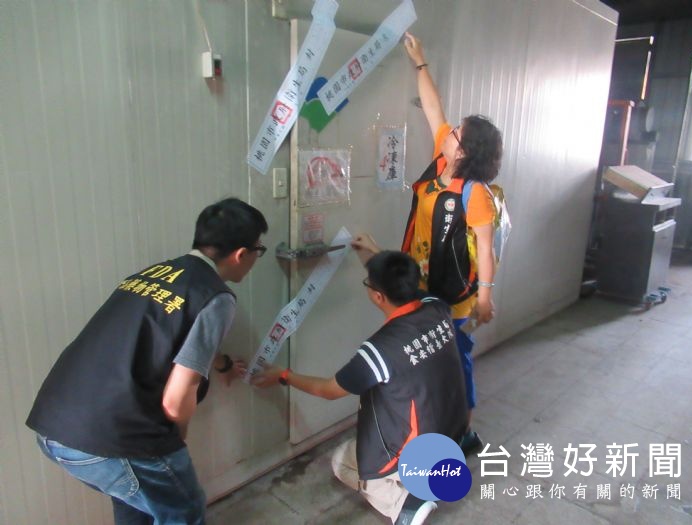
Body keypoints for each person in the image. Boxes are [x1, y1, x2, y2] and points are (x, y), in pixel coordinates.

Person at [26, 197, 268, 525]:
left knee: (137, 500)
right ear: (241, 254)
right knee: (184, 510)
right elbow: (175, 400)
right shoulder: (217, 297)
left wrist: (221, 363)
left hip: (55, 424)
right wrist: (174, 444)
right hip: (110, 434)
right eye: (258, 250)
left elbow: (172, 337)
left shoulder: (154, 273)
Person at [355, 32, 504, 457]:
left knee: (455, 362)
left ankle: (464, 431)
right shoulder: (442, 161)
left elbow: (485, 249)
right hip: (422, 286)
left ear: (466, 151)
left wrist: (485, 298)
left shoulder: (475, 195)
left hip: (453, 299)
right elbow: (434, 106)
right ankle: (429, 425)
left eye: (456, 133)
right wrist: (420, 62)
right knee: (426, 359)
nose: (448, 131)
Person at [253, 250, 467, 525]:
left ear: (377, 296)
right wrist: (374, 257)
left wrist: (284, 375)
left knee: (342, 461)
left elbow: (329, 390)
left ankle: (405, 505)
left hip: (418, 446)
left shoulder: (380, 350)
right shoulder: (437, 307)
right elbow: (404, 283)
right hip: (453, 427)